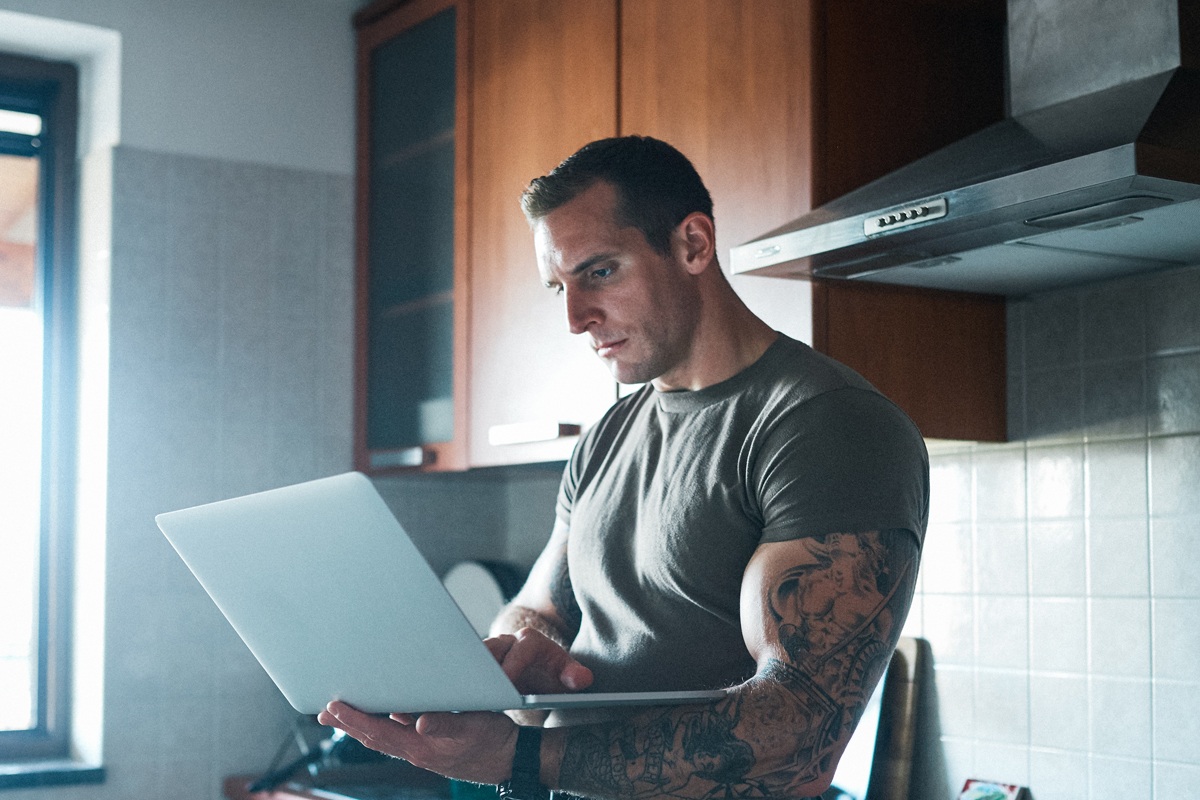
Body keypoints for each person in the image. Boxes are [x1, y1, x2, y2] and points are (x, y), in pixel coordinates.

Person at [319, 136, 929, 799]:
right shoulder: (608, 435)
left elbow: (801, 730)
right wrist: (523, 658)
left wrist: (523, 757)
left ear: (693, 245)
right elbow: (533, 608)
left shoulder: (826, 426)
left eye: (600, 272)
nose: (577, 318)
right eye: (560, 287)